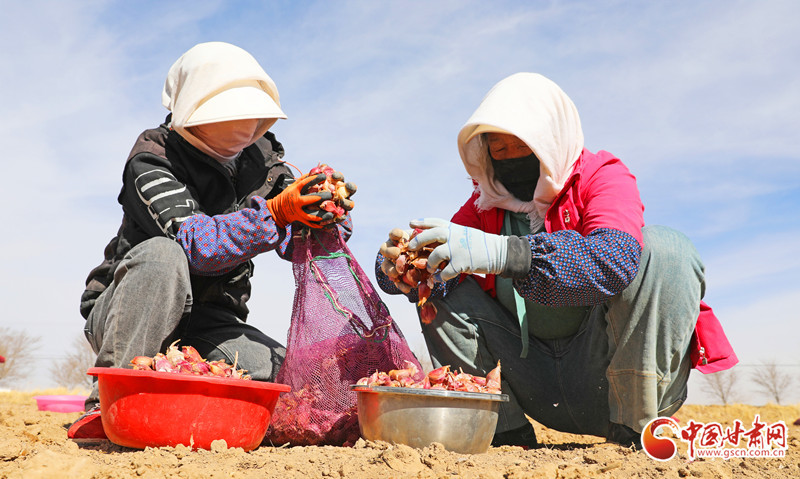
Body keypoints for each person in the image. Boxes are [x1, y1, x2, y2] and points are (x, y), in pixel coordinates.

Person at [376, 73, 736, 449]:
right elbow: (432, 267)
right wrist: (399, 267)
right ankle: (501, 430)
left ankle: (635, 425)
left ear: (549, 142)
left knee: (666, 249)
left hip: (604, 369)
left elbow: (613, 260)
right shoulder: (487, 203)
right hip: (534, 377)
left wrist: (508, 253)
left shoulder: (601, 176)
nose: (510, 158)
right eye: (498, 149)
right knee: (437, 281)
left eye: (522, 145)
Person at [69, 42, 355, 440]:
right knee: (163, 255)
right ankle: (110, 402)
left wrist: (321, 214)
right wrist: (275, 214)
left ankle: (185, 389)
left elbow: (295, 241)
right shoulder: (154, 157)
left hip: (211, 319)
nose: (242, 126)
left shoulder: (264, 162)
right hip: (132, 308)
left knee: (286, 385)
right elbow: (196, 247)